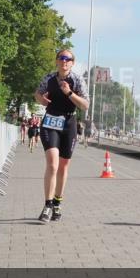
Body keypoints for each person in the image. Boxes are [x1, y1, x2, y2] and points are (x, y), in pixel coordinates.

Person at [34, 48, 89, 223]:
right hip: (51, 121)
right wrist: (41, 100)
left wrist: (69, 93)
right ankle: (47, 205)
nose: (64, 61)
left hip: (69, 123)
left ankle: (57, 202)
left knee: (64, 166)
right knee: (53, 164)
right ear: (57, 61)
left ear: (72, 63)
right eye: (61, 58)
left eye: (68, 59)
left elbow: (85, 105)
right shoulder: (49, 78)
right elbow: (37, 94)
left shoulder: (77, 80)